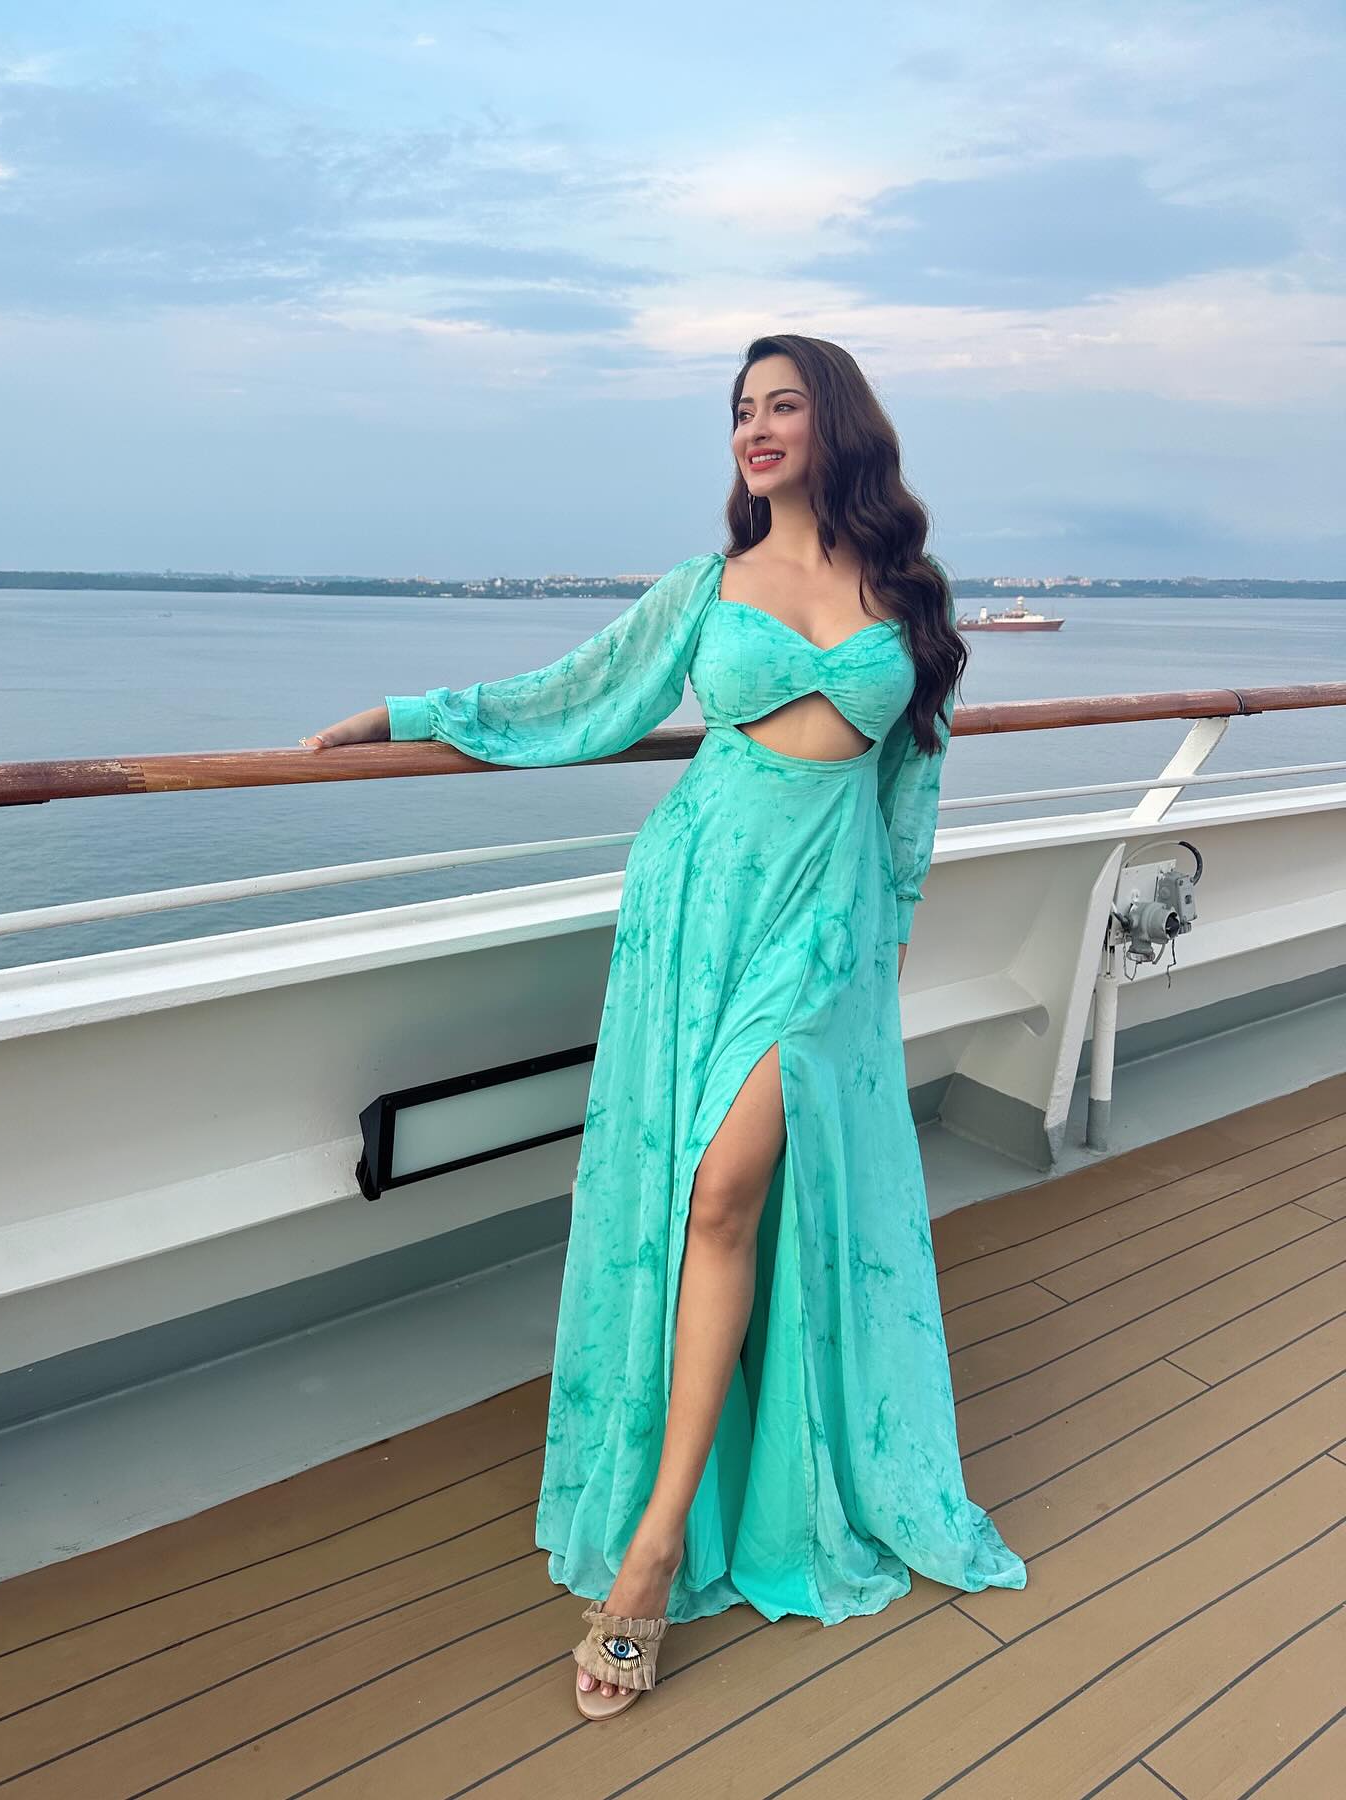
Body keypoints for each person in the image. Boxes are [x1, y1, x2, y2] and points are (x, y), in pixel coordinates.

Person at [302, 333, 1026, 1722]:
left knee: (728, 1190)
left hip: (818, 927)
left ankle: (653, 1549)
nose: (755, 428)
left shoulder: (907, 596)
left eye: (782, 404)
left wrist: (887, 933)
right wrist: (407, 714)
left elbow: (910, 789)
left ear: (837, 422)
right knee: (703, 1199)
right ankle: (658, 1536)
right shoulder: (710, 587)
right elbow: (582, 698)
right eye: (741, 410)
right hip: (694, 905)